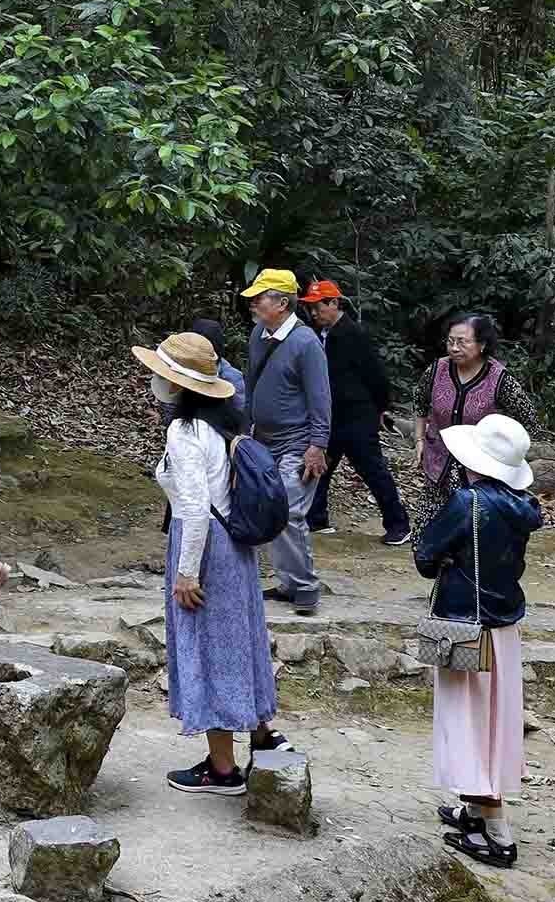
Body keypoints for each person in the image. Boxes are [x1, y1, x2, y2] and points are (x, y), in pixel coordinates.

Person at [139, 330, 281, 795]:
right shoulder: (225, 425)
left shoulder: (184, 432)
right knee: (238, 639)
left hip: (204, 546)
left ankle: (222, 769)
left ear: (178, 385)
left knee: (209, 646)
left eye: (160, 376)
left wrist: (185, 572)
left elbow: (196, 509)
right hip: (234, 548)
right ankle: (262, 734)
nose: (154, 382)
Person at [416, 413, 543, 869]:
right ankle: (473, 812)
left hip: (464, 627)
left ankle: (498, 834)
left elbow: (425, 555)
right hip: (504, 627)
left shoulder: (466, 502)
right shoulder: (521, 507)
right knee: (493, 721)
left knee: (467, 725)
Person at [241, 269, 330, 617]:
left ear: (281, 302)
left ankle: (305, 585)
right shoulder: (258, 335)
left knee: (289, 511)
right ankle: (289, 582)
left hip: (298, 442)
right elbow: (251, 384)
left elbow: (320, 396)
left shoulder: (306, 343)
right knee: (269, 509)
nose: (253, 302)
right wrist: (243, 430)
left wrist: (317, 444)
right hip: (263, 441)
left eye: (260, 297)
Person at [302, 280, 411, 546]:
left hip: (357, 416)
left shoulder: (352, 333)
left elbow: (375, 374)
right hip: (331, 415)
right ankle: (316, 519)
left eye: (318, 307)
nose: (314, 314)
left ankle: (399, 524)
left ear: (334, 303)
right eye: (311, 309)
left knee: (372, 469)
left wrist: (382, 408)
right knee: (320, 468)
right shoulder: (320, 335)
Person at [416, 314, 539, 515]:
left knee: (470, 532)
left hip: (479, 476)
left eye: (462, 342)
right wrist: (419, 439)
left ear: (482, 344)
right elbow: (420, 400)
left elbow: (529, 419)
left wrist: (504, 450)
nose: (454, 348)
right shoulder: (438, 369)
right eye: (450, 341)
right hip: (438, 465)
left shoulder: (500, 380)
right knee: (430, 533)